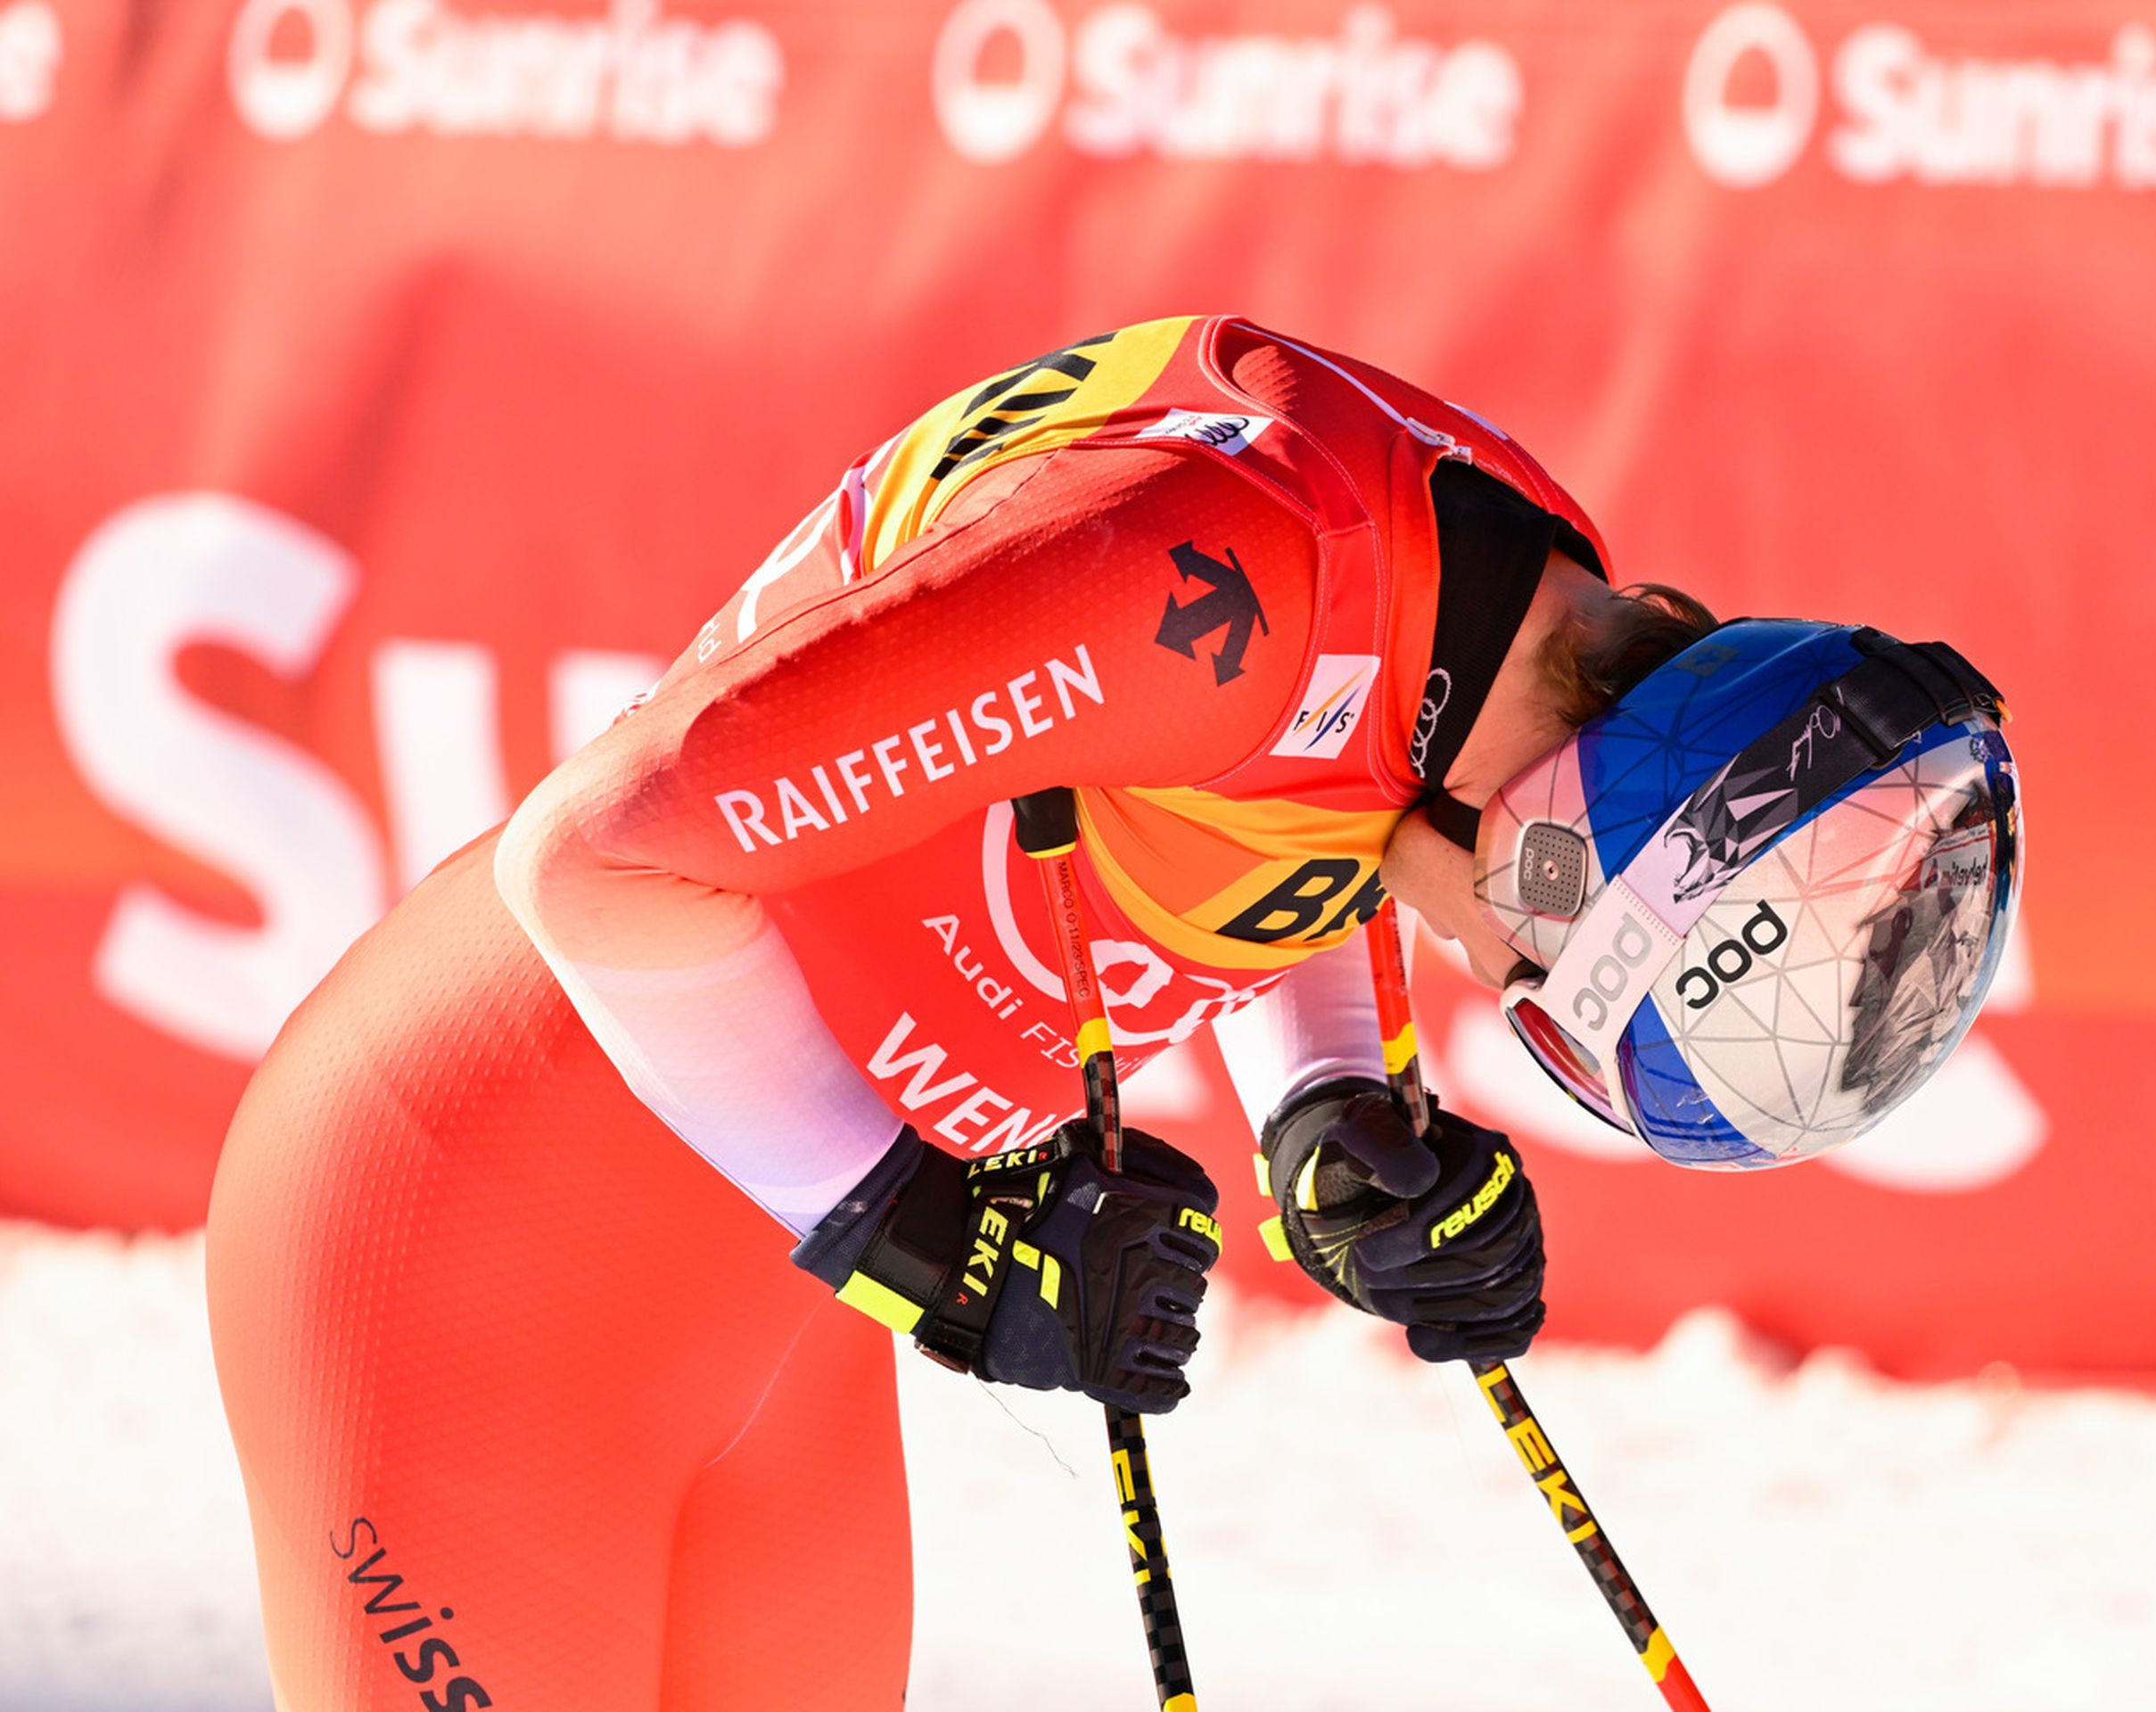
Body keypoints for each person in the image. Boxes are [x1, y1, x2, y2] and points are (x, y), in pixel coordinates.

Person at [207, 313, 2016, 1712]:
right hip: (462, 1258)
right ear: (1550, 847)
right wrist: (919, 1231)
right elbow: (598, 858)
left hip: (769, 1346)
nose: (1493, 978)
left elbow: (1285, 807)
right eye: (1535, 972)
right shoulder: (1209, 582)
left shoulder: (1517, 605)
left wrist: (1318, 1110)